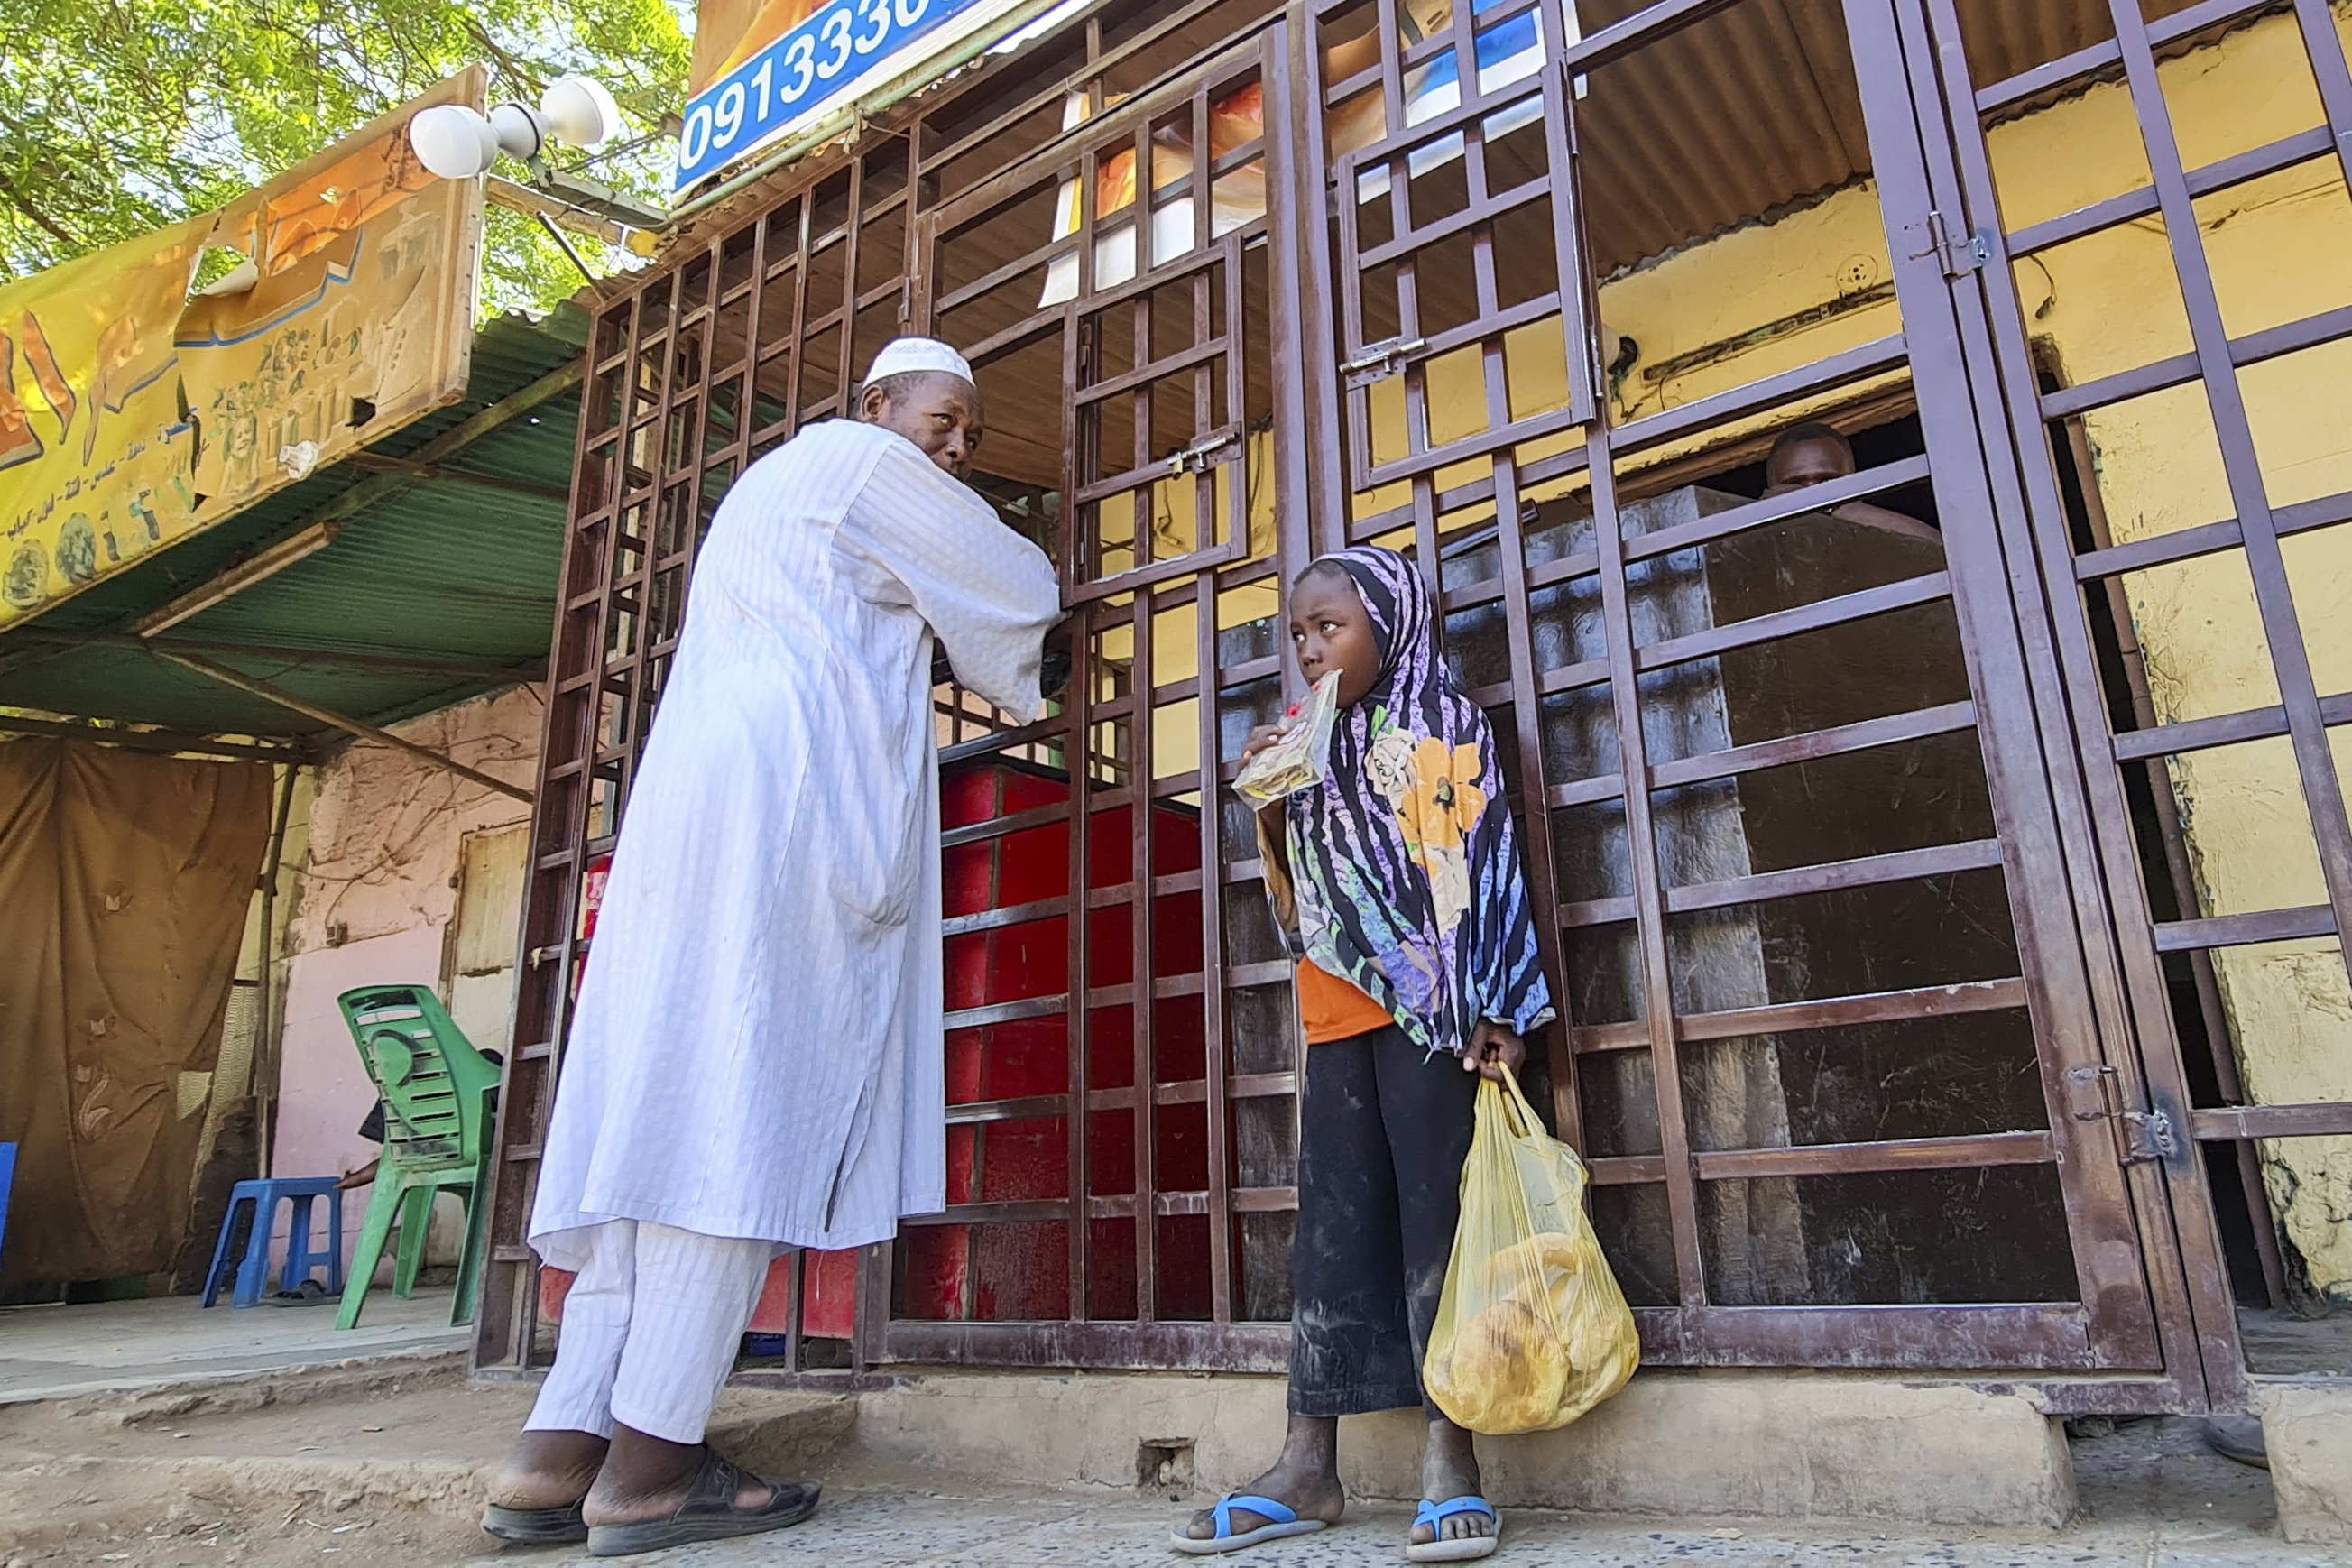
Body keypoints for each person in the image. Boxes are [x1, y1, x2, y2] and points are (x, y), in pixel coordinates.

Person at [481, 337, 1061, 1557]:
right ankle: (649, 1469)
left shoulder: (770, 490)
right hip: (783, 807)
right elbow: (1013, 586)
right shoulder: (859, 462)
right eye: (942, 419)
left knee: (658, 1108)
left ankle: (556, 1451)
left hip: (695, 811)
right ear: (874, 404)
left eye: (966, 433)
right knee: (735, 1109)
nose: (953, 447)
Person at [1176, 547, 1554, 1563]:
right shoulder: (1312, 737)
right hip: (1337, 1011)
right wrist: (1265, 796)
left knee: (1441, 1221)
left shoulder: (1444, 724)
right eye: (1297, 633)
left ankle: (1452, 1460)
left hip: (1440, 1017)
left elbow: (1482, 871)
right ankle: (1309, 1464)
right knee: (1334, 1231)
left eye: (1328, 626)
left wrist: (1504, 1004)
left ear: (1391, 620)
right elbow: (1303, 901)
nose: (1308, 648)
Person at [1764, 420, 1941, 542]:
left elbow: (1943, 551)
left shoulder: (1874, 536)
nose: (1812, 494)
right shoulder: (1758, 541)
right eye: (1796, 484)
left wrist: (1837, 507)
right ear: (1773, 490)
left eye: (1827, 482)